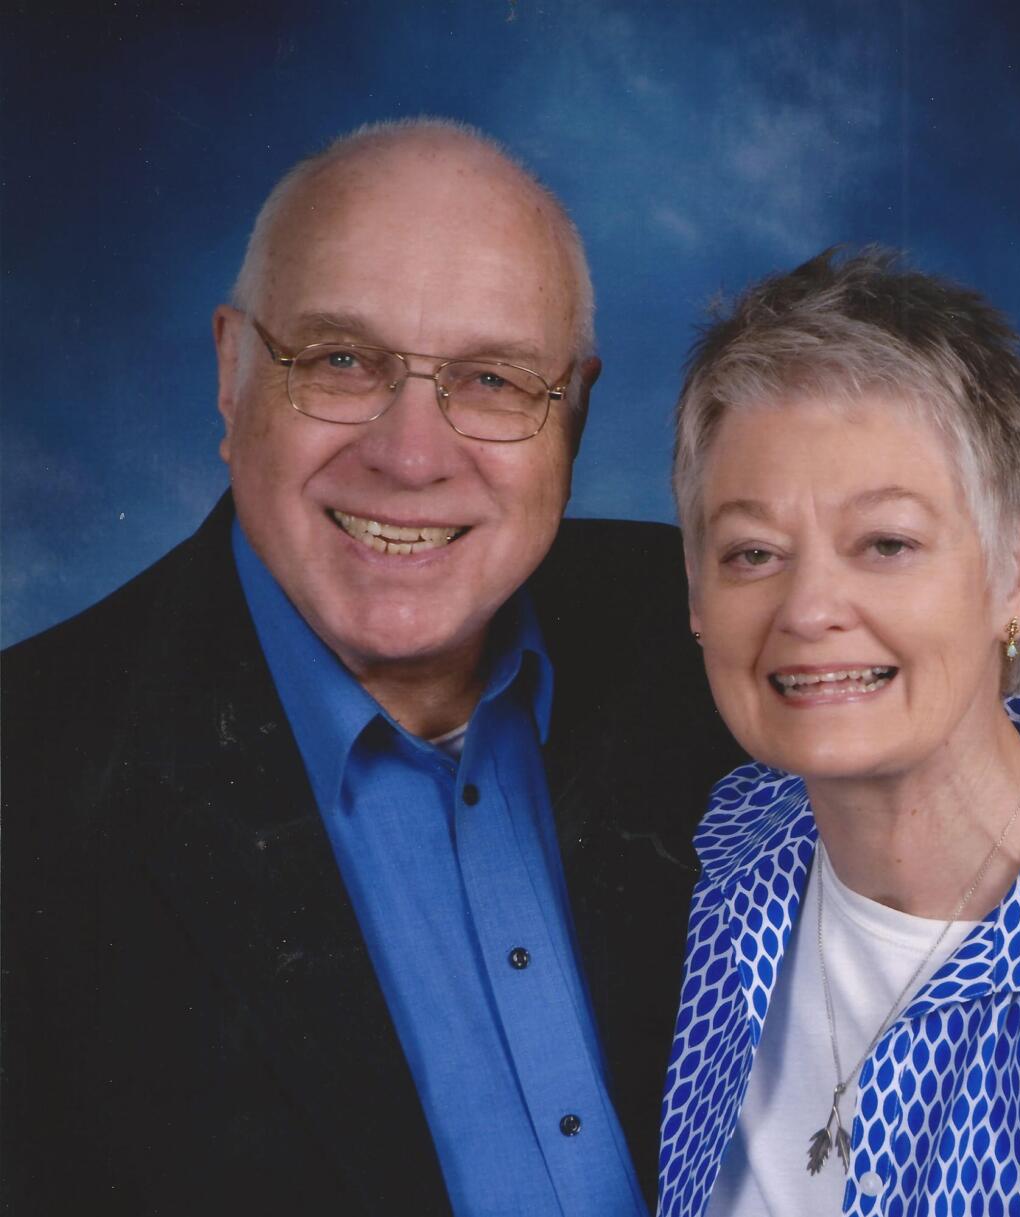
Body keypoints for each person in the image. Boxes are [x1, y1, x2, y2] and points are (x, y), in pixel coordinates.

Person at [1, 118, 738, 1217]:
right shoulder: (31, 783)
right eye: (341, 360)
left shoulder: (715, 630)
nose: (409, 453)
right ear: (230, 370)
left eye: (492, 378)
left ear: (571, 414)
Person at [656, 248, 1020, 1216]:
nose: (807, 607)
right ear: (696, 596)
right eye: (751, 552)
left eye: (885, 542)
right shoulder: (728, 851)